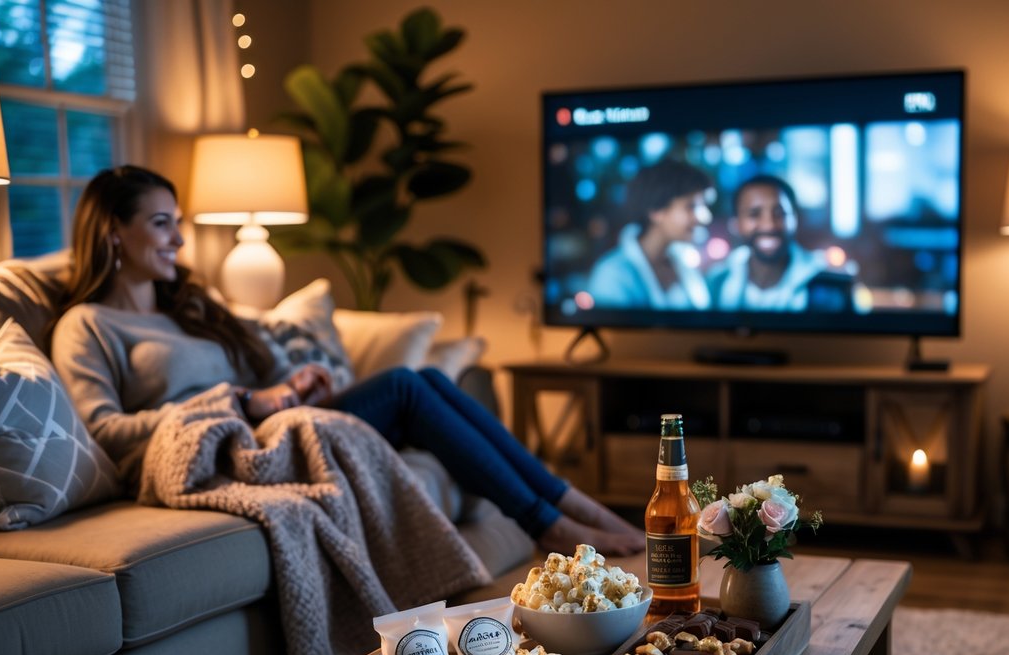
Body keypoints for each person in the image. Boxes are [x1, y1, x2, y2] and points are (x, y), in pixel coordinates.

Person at [49, 165, 644, 557]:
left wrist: (293, 383)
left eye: (177, 223)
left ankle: (571, 506)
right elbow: (103, 434)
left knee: (428, 379)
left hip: (275, 424)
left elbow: (262, 381)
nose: (179, 239)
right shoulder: (89, 325)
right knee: (407, 388)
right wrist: (238, 404)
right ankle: (552, 524)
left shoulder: (190, 307)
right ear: (111, 232)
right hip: (225, 450)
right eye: (161, 224)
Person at [586, 159, 714, 310]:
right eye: (691, 206)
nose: (705, 217)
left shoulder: (683, 265)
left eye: (703, 206)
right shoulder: (612, 275)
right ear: (656, 210)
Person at [708, 174, 841, 311]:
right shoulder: (717, 282)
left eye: (780, 213)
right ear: (736, 224)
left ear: (795, 219)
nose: (769, 225)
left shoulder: (829, 283)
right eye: (754, 214)